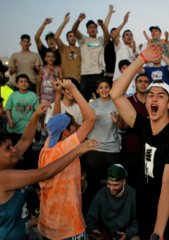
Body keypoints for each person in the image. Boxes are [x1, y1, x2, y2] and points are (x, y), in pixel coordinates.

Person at [110, 42, 169, 239]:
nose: (154, 99)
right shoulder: (144, 127)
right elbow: (115, 93)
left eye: (161, 96)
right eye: (150, 96)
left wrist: (158, 232)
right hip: (148, 217)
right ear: (145, 102)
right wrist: (142, 58)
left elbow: (168, 187)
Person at [0, 102, 99, 240]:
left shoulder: (46, 147)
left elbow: (25, 140)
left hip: (36, 230)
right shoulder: (4, 178)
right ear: (66, 132)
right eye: (8, 148)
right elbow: (45, 173)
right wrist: (77, 150)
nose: (14, 150)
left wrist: (35, 115)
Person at [37, 79, 97, 240]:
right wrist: (73, 90)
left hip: (47, 225)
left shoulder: (47, 147)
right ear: (66, 132)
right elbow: (91, 119)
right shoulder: (66, 147)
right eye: (73, 126)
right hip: (68, 228)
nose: (75, 127)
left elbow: (56, 120)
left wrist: (58, 95)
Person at [85, 78, 122, 204]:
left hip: (112, 147)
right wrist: (91, 120)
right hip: (95, 146)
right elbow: (85, 125)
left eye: (106, 87)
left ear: (110, 89)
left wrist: (117, 122)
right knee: (93, 182)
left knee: (113, 181)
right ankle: (92, 208)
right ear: (97, 90)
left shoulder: (117, 103)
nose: (104, 90)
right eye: (101, 87)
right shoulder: (91, 105)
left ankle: (111, 206)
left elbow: (123, 126)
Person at [86, 164, 139, 240]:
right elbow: (91, 217)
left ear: (124, 182)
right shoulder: (101, 193)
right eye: (109, 184)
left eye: (115, 185)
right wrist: (93, 229)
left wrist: (127, 234)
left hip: (124, 234)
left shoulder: (132, 194)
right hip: (104, 234)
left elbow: (137, 221)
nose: (111, 188)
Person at [72, 11, 111, 101]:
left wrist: (102, 26)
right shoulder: (83, 39)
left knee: (102, 99)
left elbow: (108, 37)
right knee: (83, 100)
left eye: (94, 27)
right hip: (86, 74)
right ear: (87, 31)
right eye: (90, 27)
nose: (92, 29)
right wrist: (78, 21)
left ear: (97, 30)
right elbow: (74, 30)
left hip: (99, 74)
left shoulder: (101, 40)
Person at [5, 74, 39, 169]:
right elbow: (7, 109)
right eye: (21, 81)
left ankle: (28, 176)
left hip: (27, 130)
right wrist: (10, 120)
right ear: (17, 84)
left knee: (29, 154)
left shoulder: (32, 95)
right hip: (14, 130)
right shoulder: (13, 95)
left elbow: (37, 111)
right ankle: (14, 175)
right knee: (13, 153)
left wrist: (37, 122)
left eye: (25, 81)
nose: (23, 83)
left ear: (28, 84)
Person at [122, 74, 150, 190]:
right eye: (140, 81)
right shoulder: (128, 101)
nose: (143, 84)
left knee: (148, 183)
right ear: (135, 84)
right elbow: (123, 126)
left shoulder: (153, 101)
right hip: (132, 148)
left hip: (149, 149)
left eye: (146, 82)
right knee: (133, 183)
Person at [112, 12, 140, 81]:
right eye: (127, 35)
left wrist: (135, 52)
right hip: (119, 78)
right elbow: (113, 36)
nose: (129, 36)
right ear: (123, 38)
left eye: (131, 35)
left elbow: (141, 62)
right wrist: (124, 22)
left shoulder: (136, 48)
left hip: (132, 79)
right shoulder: (120, 45)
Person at [54, 12, 82, 83]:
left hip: (79, 82)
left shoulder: (81, 49)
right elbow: (56, 37)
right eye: (70, 36)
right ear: (67, 39)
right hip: (67, 82)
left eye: (74, 36)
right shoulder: (63, 49)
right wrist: (65, 22)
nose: (72, 38)